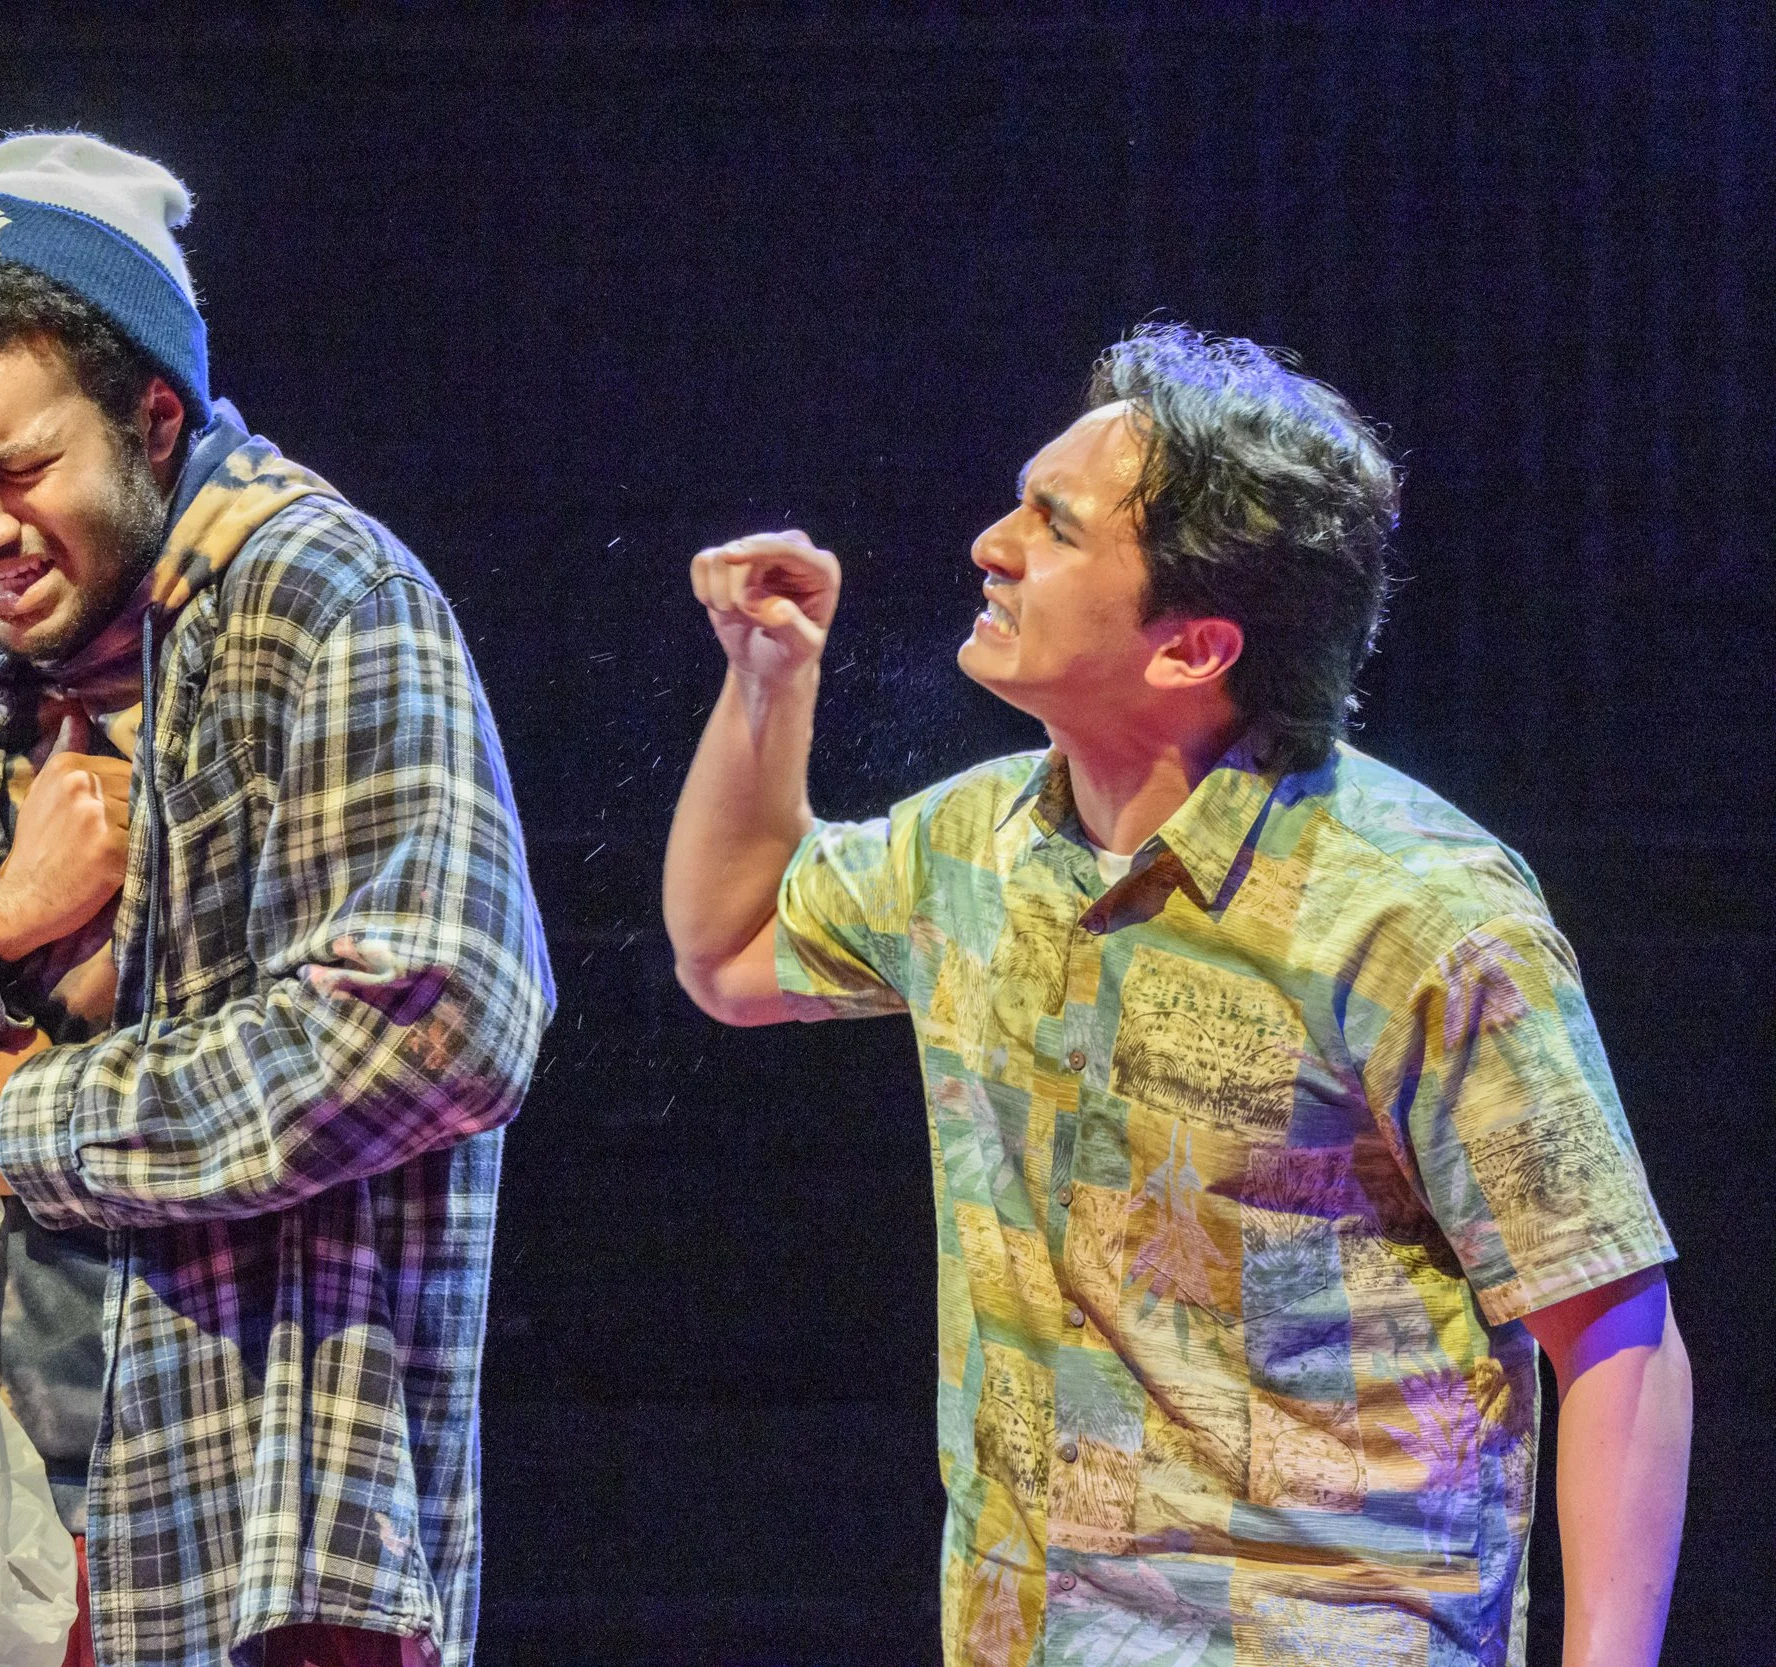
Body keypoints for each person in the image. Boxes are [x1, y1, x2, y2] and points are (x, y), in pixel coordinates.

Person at [661, 324, 1690, 1666]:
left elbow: (1611, 1325)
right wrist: (768, 678)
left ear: (1191, 648)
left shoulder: (1414, 913)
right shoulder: (973, 849)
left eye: (1054, 525)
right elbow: (731, 947)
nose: (990, 544)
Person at [0, 132, 552, 1667]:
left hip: (254, 1542)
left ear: (156, 419)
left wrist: (27, 1124)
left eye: (21, 471)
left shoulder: (328, 602)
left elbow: (442, 1024)